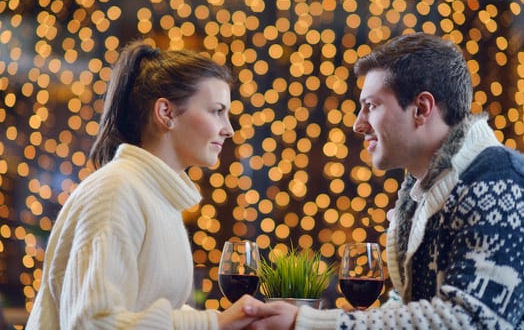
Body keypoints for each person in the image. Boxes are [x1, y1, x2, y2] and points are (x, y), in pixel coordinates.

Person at [244, 32, 524, 329]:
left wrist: (312, 323)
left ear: (421, 108)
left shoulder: (499, 183)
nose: (357, 123)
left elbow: (473, 320)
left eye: (371, 105)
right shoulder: (426, 193)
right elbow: (410, 308)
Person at [26, 41, 262, 329]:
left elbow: (143, 312)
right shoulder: (115, 192)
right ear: (166, 113)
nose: (228, 129)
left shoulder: (156, 198)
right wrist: (216, 324)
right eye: (216, 111)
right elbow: (93, 323)